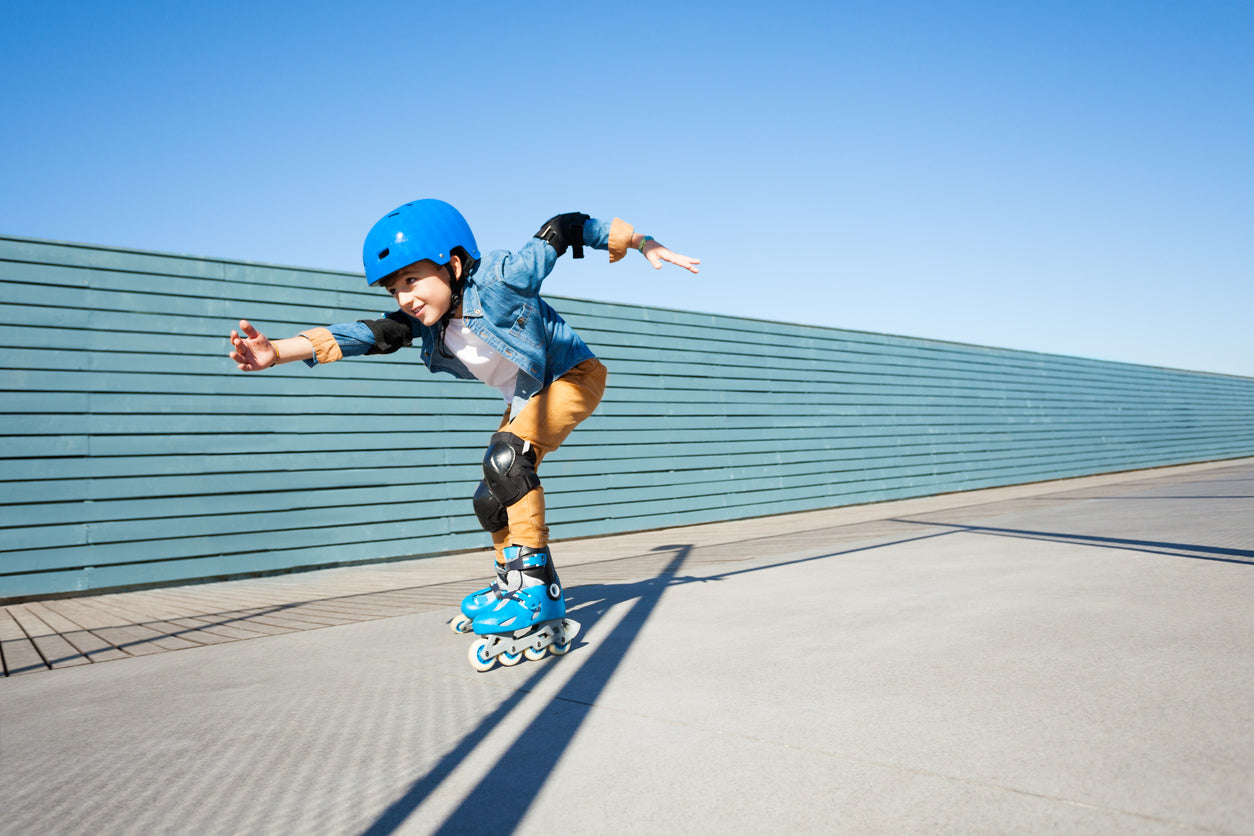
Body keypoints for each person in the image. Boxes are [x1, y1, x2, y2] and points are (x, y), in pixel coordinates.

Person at [228, 199, 699, 669]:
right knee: (490, 497)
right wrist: (277, 352)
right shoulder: (426, 324)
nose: (405, 299)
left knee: (508, 460)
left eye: (412, 280)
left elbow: (563, 228)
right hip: (528, 395)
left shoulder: (500, 279)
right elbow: (366, 335)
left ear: (453, 265)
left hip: (573, 376)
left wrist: (640, 242)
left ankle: (533, 585)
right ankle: (514, 582)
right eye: (394, 289)